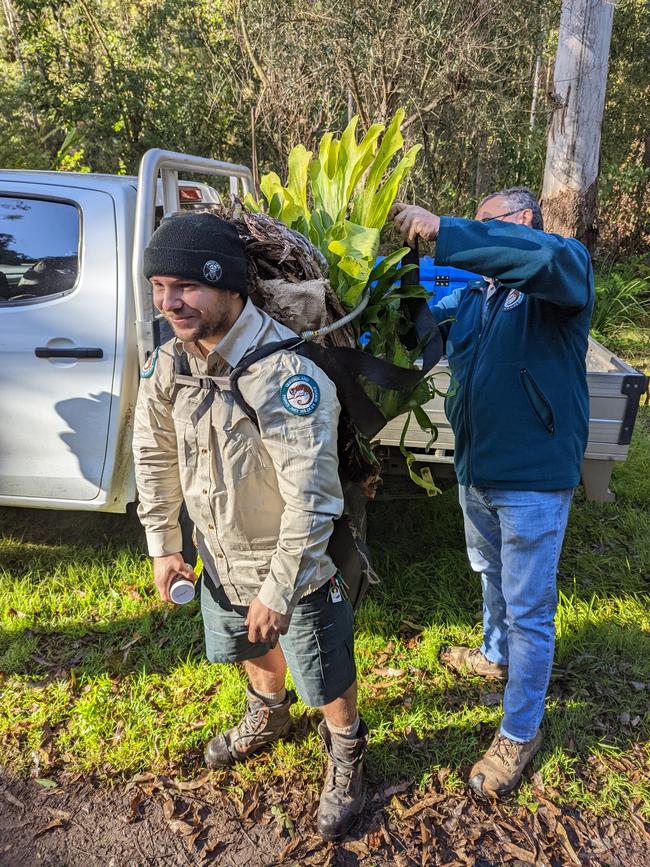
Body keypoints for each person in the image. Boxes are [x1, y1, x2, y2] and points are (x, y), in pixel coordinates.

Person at [132, 211, 367, 841]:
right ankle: (269, 713)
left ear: (231, 287)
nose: (169, 301)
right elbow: (151, 453)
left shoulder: (285, 376)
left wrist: (278, 588)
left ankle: (346, 752)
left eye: (186, 286)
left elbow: (314, 500)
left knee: (323, 668)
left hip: (294, 566)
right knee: (249, 647)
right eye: (159, 286)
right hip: (218, 555)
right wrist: (165, 546)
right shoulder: (169, 364)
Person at [391, 187, 594, 798]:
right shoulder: (480, 296)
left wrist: (446, 229)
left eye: (485, 225)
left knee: (530, 606)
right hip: (478, 470)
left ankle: (520, 729)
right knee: (488, 570)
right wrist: (402, 288)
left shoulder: (563, 266)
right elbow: (433, 335)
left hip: (531, 475)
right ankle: (494, 653)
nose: (473, 236)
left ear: (522, 221)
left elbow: (538, 260)